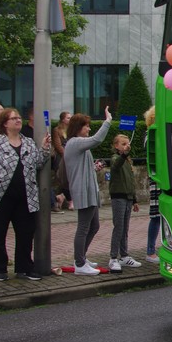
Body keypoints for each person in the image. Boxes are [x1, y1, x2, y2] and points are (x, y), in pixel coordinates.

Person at [0, 108, 51, 281]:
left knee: (26, 233)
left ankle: (24, 268)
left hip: (25, 197)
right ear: (5, 123)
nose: (18, 120)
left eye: (19, 118)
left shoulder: (28, 142)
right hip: (0, 197)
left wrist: (44, 149)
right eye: (14, 118)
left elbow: (37, 163)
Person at [64, 107, 113, 275]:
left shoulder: (77, 144)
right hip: (83, 191)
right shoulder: (75, 142)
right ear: (78, 127)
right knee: (84, 227)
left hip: (89, 190)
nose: (89, 129)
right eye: (86, 126)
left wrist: (93, 167)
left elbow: (81, 167)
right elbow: (97, 139)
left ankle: (81, 258)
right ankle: (79, 263)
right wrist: (107, 121)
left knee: (94, 226)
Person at [108, 134, 142, 273]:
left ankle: (124, 255)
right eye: (123, 144)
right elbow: (116, 165)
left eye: (127, 144)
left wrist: (134, 200)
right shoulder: (116, 158)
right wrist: (124, 155)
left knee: (125, 228)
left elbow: (131, 181)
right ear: (116, 146)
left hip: (127, 198)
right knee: (118, 227)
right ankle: (113, 257)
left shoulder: (127, 161)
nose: (126, 146)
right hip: (118, 197)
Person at [144, 106, 161, 263]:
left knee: (160, 216)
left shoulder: (153, 134)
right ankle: (150, 251)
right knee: (156, 216)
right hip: (157, 179)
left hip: (160, 178)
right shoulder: (151, 135)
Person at [52, 111, 72, 212]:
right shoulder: (57, 130)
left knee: (70, 178)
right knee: (62, 177)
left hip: (70, 155)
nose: (70, 119)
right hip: (61, 156)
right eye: (68, 118)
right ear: (63, 119)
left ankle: (62, 196)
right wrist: (66, 155)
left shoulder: (71, 130)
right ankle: (68, 199)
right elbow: (58, 145)